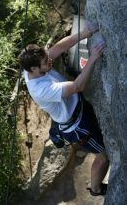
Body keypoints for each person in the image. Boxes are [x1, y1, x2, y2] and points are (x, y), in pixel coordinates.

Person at [19, 23, 109, 196]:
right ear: (34, 69)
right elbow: (78, 85)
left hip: (78, 106)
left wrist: (84, 33)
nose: (50, 61)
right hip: (77, 125)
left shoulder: (34, 64)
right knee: (103, 155)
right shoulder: (40, 89)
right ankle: (96, 189)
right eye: (46, 62)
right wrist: (93, 58)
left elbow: (59, 47)